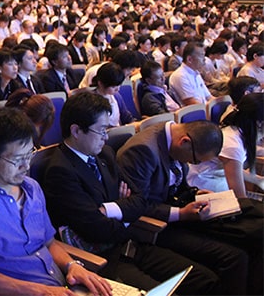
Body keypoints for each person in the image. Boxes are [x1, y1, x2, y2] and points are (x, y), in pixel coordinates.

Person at [40, 92, 219, 294]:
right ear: (76, 131)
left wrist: (110, 209)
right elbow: (96, 229)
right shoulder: (60, 171)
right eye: (101, 131)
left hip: (132, 243)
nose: (106, 137)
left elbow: (141, 199)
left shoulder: (105, 154)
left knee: (204, 279)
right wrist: (125, 210)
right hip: (103, 258)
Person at [0, 107, 112, 296]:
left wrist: (72, 266)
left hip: (59, 286)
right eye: (17, 159)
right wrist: (40, 291)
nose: (26, 166)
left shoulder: (31, 187)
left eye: (29, 154)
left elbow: (48, 243)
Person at [116, 120, 257, 295]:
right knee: (234, 258)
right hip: (154, 227)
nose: (193, 164)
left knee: (253, 236)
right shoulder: (142, 151)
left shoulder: (172, 138)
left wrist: (194, 193)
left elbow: (177, 182)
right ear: (185, 142)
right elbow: (137, 206)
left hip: (177, 211)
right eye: (195, 160)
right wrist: (181, 214)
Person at [187, 93, 264, 197]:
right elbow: (241, 199)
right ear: (259, 123)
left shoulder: (237, 131)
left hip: (215, 181)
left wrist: (259, 180)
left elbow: (234, 169)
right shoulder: (234, 145)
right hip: (204, 189)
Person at [92, 62, 134, 127]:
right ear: (100, 83)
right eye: (113, 87)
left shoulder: (116, 96)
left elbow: (126, 116)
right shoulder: (92, 100)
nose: (117, 89)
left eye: (119, 85)